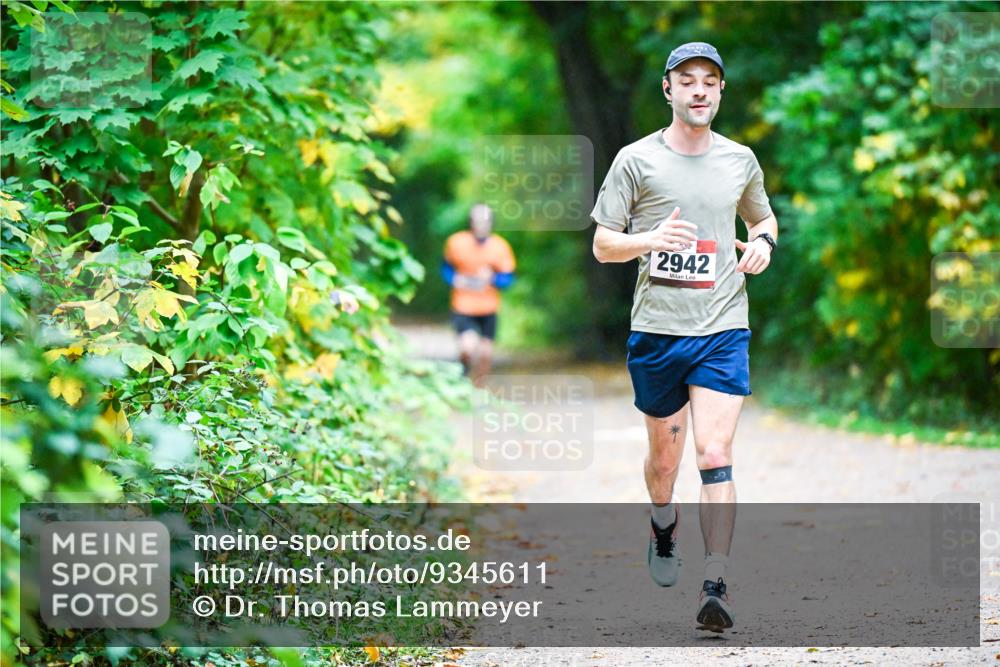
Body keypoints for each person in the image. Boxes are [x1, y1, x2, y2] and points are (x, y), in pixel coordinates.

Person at [590, 42, 778, 633]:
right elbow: (601, 244)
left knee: (716, 455)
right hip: (657, 332)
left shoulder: (740, 160)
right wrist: (650, 241)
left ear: (721, 92)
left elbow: (763, 219)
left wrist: (764, 246)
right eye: (687, 80)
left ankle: (715, 581)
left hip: (722, 326)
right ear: (668, 91)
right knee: (664, 466)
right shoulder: (635, 160)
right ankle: (662, 523)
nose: (700, 90)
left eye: (711, 81)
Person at [441, 203, 516, 386]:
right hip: (463, 305)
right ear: (471, 222)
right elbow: (445, 268)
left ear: (491, 223)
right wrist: (454, 279)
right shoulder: (456, 242)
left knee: (485, 354)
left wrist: (493, 279)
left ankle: (478, 390)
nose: (481, 225)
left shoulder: (500, 247)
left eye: (485, 221)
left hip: (488, 307)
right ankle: (463, 372)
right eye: (477, 221)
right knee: (467, 348)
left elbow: (508, 278)